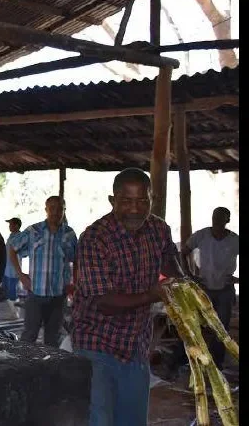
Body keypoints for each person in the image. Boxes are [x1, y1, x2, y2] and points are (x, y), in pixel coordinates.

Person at [72, 168, 185, 426]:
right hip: (96, 344)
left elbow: (170, 259)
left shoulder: (158, 229)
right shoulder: (94, 238)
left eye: (142, 201)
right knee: (100, 420)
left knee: (133, 421)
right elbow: (105, 302)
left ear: (151, 200)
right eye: (126, 201)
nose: (135, 209)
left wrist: (181, 280)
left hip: (135, 344)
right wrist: (154, 294)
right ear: (112, 201)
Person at [8, 196, 77, 347]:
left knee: (53, 338)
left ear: (64, 210)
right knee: (29, 335)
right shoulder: (34, 231)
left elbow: (76, 260)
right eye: (52, 208)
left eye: (60, 208)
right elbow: (12, 249)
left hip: (58, 296)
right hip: (36, 293)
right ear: (46, 210)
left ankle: (49, 368)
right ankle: (23, 369)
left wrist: (74, 285)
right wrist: (21, 275)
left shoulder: (69, 234)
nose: (56, 212)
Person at [182, 206, 239, 370]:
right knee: (196, 324)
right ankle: (194, 361)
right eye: (215, 217)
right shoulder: (202, 235)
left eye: (221, 218)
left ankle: (217, 364)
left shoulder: (234, 240)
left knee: (221, 328)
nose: (217, 221)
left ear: (227, 221)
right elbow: (184, 251)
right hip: (204, 288)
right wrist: (190, 274)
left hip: (224, 290)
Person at [2, 217, 24, 302]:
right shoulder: (12, 235)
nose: (9, 226)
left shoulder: (20, 237)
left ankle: (13, 312)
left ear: (17, 226)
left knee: (12, 293)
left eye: (11, 224)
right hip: (7, 268)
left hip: (13, 270)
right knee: (5, 291)